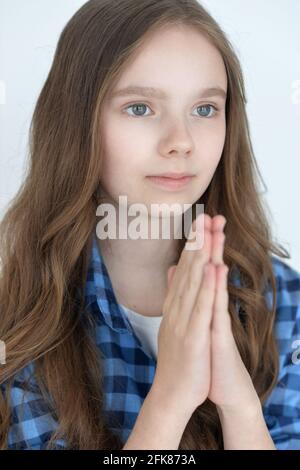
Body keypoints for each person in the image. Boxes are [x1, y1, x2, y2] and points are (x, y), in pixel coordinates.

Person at [0, 0, 299, 450]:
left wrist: (240, 406)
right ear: (77, 122)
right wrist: (171, 399)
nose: (180, 142)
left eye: (204, 109)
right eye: (140, 108)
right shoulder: (21, 312)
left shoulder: (283, 300)